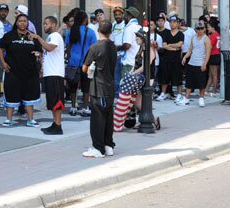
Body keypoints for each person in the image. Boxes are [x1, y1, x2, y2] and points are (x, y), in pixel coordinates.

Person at [0, 13, 43, 127]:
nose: (22, 23)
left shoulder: (33, 36)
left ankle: (31, 119)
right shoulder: (9, 36)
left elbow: (40, 52)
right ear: (16, 23)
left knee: (29, 96)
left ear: (28, 23)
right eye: (20, 21)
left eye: (24, 21)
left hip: (30, 72)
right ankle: (9, 119)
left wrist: (39, 56)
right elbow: (0, 49)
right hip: (13, 71)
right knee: (11, 95)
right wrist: (3, 63)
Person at [81, 20, 117, 158]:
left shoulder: (95, 47)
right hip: (110, 86)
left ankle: (98, 148)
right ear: (110, 32)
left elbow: (85, 68)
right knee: (108, 117)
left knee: (97, 119)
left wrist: (91, 68)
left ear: (98, 31)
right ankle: (108, 145)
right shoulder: (113, 46)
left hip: (98, 87)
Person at [114, 30, 160, 132]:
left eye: (137, 38)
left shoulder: (149, 49)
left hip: (148, 80)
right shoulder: (142, 48)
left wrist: (133, 74)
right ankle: (145, 120)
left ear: (143, 39)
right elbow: (136, 65)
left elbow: (145, 66)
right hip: (140, 79)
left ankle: (153, 119)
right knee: (138, 101)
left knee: (141, 102)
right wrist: (131, 72)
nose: (135, 40)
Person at [29, 16, 65, 135]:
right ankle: (55, 124)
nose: (44, 25)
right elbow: (49, 52)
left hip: (55, 74)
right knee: (52, 101)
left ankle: (58, 125)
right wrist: (39, 53)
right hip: (50, 74)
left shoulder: (55, 36)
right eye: (43, 24)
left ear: (53, 25)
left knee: (57, 101)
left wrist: (38, 37)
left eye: (46, 24)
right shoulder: (50, 37)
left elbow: (49, 48)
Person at [65, 11, 97, 116]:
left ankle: (73, 107)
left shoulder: (70, 31)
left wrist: (69, 59)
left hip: (73, 62)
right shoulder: (90, 32)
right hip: (86, 63)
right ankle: (84, 108)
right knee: (86, 87)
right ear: (85, 20)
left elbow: (67, 47)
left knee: (73, 87)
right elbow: (94, 49)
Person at [180, 23, 212, 107]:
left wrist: (204, 64)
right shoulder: (193, 37)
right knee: (189, 82)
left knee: (201, 83)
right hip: (191, 63)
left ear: (204, 29)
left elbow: (208, 53)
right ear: (195, 29)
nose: (200, 30)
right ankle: (186, 99)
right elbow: (190, 50)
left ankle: (201, 98)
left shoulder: (206, 39)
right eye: (198, 28)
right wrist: (185, 57)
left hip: (200, 63)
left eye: (201, 28)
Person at [156, 15, 184, 101]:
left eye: (174, 22)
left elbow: (180, 45)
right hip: (166, 58)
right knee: (165, 77)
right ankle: (163, 93)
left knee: (178, 77)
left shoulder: (180, 34)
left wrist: (170, 45)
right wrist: (175, 48)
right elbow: (164, 46)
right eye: (171, 22)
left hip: (176, 59)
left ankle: (179, 94)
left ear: (178, 23)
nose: (172, 24)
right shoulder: (166, 33)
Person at [205, 20, 221, 97]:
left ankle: (214, 92)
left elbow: (209, 47)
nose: (207, 29)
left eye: (208, 27)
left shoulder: (213, 36)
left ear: (213, 27)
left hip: (213, 55)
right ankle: (206, 90)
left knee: (214, 75)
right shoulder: (218, 34)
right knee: (211, 75)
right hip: (217, 55)